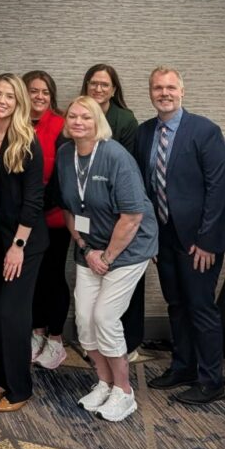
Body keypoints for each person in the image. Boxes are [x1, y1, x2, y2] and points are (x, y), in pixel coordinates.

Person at [134, 67, 225, 405]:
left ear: (182, 91)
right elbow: (144, 189)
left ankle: (211, 381)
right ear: (150, 93)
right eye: (157, 88)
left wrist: (207, 241)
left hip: (199, 240)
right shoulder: (144, 133)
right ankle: (183, 367)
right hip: (165, 236)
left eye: (170, 87)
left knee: (200, 307)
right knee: (176, 305)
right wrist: (150, 237)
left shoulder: (205, 130)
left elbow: (218, 188)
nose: (164, 93)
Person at [57, 96, 157, 422]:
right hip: (90, 248)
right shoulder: (65, 155)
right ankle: (104, 382)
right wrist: (85, 249)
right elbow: (69, 209)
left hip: (128, 249)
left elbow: (132, 216)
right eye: (73, 116)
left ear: (97, 121)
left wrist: (108, 257)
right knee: (84, 319)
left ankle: (124, 392)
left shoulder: (115, 156)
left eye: (86, 116)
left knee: (104, 317)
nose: (78, 121)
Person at [0, 74, 48, 412]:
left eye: (9, 96)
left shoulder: (27, 140)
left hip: (23, 240)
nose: (2, 101)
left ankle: (20, 389)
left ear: (19, 102)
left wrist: (17, 246)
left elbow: (34, 201)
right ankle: (3, 379)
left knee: (12, 312)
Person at [80, 64, 145, 356]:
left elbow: (130, 168)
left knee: (124, 280)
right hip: (91, 214)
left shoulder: (125, 120)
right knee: (94, 284)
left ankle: (128, 344)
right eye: (93, 83)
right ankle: (96, 343)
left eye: (105, 84)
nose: (98, 89)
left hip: (122, 210)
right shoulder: (79, 115)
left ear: (114, 89)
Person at [22, 70, 69, 369]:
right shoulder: (17, 123)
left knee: (53, 276)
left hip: (53, 218)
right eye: (33, 91)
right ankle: (37, 332)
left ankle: (56, 339)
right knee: (33, 278)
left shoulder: (62, 125)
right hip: (24, 218)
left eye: (45, 92)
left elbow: (64, 177)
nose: (39, 97)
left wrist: (38, 207)